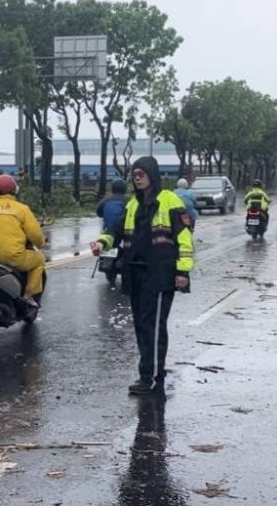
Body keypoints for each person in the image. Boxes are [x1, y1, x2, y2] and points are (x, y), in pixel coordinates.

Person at [91, 156, 194, 395]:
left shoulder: (169, 200)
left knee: (153, 325)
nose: (137, 179)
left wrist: (182, 270)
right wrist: (102, 242)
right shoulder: (133, 204)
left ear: (152, 175)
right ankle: (153, 369)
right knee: (140, 325)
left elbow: (184, 237)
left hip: (160, 273)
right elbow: (116, 229)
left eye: (141, 174)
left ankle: (149, 376)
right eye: (134, 175)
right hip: (134, 272)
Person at [0, 174, 46, 307]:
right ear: (14, 190)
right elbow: (35, 234)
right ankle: (28, 295)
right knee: (39, 260)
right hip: (14, 258)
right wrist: (41, 244)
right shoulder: (22, 209)